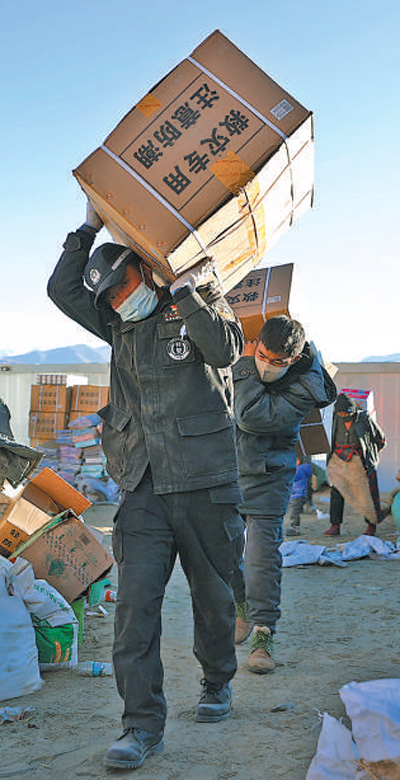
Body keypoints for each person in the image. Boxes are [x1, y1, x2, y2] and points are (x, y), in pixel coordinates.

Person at [47, 202, 245, 770]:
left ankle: (216, 681)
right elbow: (63, 289)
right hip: (143, 484)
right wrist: (85, 227)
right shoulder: (116, 323)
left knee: (214, 597)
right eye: (108, 296)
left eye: (122, 287)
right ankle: (140, 724)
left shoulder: (198, 302)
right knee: (135, 608)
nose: (116, 300)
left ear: (145, 272)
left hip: (205, 479)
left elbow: (227, 350)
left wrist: (186, 289)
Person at [231, 316, 337, 672]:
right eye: (262, 355)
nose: (268, 366)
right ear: (257, 343)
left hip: (268, 476)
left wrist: (246, 363)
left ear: (294, 358)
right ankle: (240, 603)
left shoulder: (306, 384)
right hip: (227, 469)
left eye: (279, 362)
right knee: (216, 548)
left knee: (261, 555)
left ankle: (263, 632)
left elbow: (250, 415)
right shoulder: (240, 355)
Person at [324, 392, 386, 537]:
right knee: (337, 492)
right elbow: (333, 438)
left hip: (361, 461)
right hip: (340, 460)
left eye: (346, 413)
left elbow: (380, 439)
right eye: (340, 413)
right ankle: (335, 526)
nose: (343, 415)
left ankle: (371, 526)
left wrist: (371, 455)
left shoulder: (363, 418)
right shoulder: (336, 417)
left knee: (369, 495)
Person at [285, 458, 313, 536]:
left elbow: (291, 477)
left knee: (294, 512)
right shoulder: (303, 469)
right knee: (295, 510)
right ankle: (295, 526)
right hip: (300, 494)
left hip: (297, 495)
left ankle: (295, 527)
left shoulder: (298, 469)